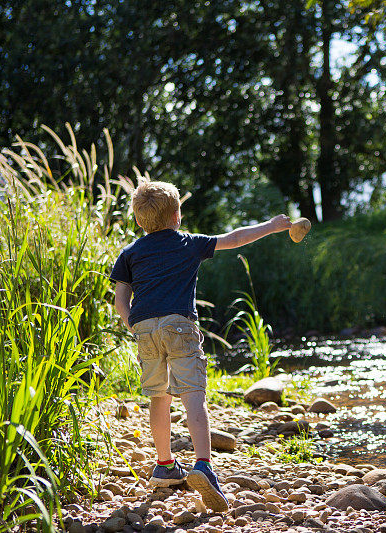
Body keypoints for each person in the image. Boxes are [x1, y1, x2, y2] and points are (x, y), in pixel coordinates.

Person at [109, 179, 292, 511]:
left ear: (138, 220)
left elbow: (121, 297)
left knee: (158, 397)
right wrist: (273, 225)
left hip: (145, 328)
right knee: (193, 396)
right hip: (179, 324)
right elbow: (235, 238)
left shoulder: (130, 252)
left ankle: (164, 465)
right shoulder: (188, 243)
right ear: (177, 215)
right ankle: (204, 464)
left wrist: (133, 324)